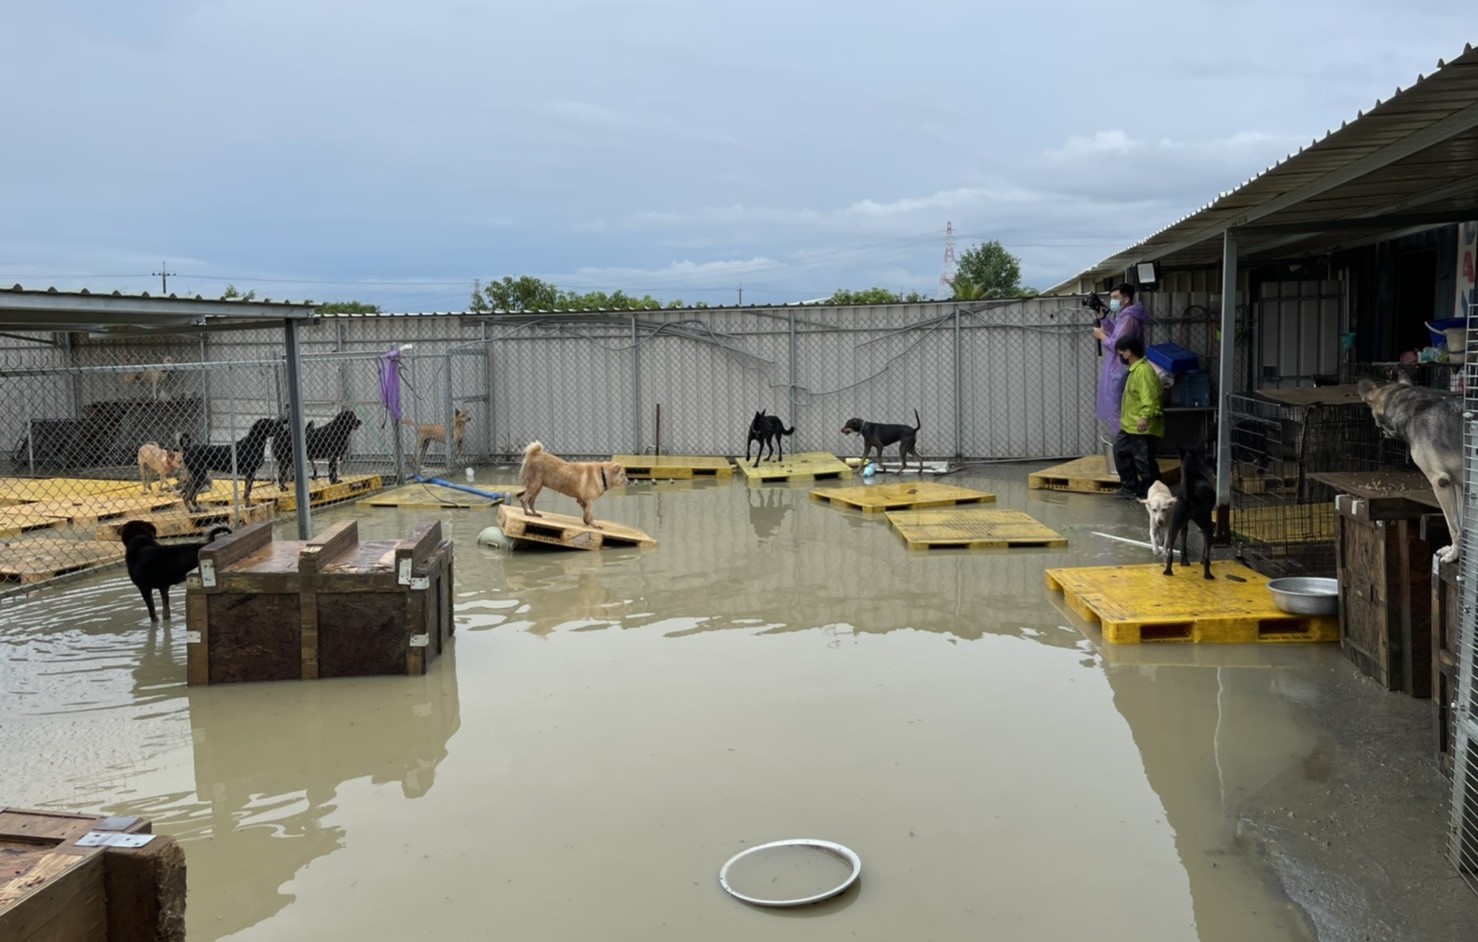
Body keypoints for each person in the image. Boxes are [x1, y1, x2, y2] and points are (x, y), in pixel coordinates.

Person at [1111, 333, 1163, 499]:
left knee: (1143, 460)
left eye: (1120, 353)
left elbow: (1149, 396)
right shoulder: (1135, 369)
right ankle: (1130, 487)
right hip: (1130, 423)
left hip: (1141, 424)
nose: (1120, 356)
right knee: (1120, 450)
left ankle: (1151, 491)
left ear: (1128, 352)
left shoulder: (1142, 371)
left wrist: (1144, 416)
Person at [1092, 282, 1150, 428]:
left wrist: (1102, 337)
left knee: (1118, 405)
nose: (1113, 301)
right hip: (1119, 366)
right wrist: (1103, 317)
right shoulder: (1124, 316)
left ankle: (1123, 438)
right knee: (1116, 403)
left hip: (1122, 367)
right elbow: (1116, 332)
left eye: (1115, 297)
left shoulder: (1129, 318)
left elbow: (1119, 344)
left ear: (1126, 299)